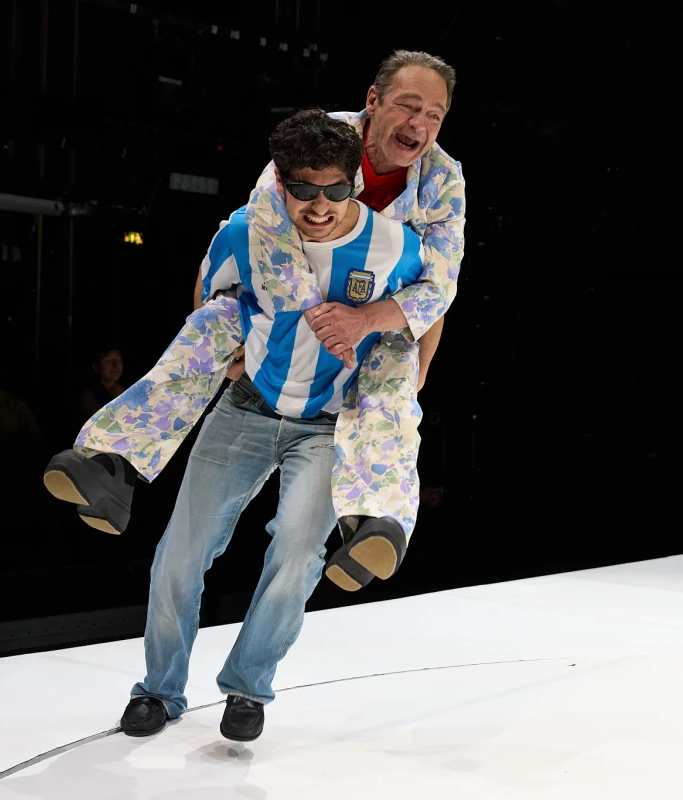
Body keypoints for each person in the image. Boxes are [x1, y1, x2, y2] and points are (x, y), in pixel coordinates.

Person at [43, 50, 463, 591]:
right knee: (213, 322)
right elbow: (264, 230)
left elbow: (440, 285)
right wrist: (305, 324)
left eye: (434, 114)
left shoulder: (443, 179)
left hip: (369, 316)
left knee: (395, 376)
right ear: (373, 101)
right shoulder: (317, 139)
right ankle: (112, 463)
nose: (419, 123)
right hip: (286, 294)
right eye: (408, 106)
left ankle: (373, 520)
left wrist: (369, 330)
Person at [117, 109, 429, 742]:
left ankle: (248, 686)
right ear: (281, 182)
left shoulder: (395, 246)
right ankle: (158, 689)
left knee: (296, 553)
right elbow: (209, 293)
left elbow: (431, 302)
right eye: (304, 188)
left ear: (354, 183)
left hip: (328, 425)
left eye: (334, 189)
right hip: (247, 407)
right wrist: (227, 354)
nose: (319, 205)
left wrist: (414, 375)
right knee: (180, 553)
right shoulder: (246, 231)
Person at [77, 346, 127, 420]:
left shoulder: (129, 389)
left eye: (119, 359)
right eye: (108, 360)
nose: (115, 364)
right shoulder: (88, 396)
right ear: (96, 367)